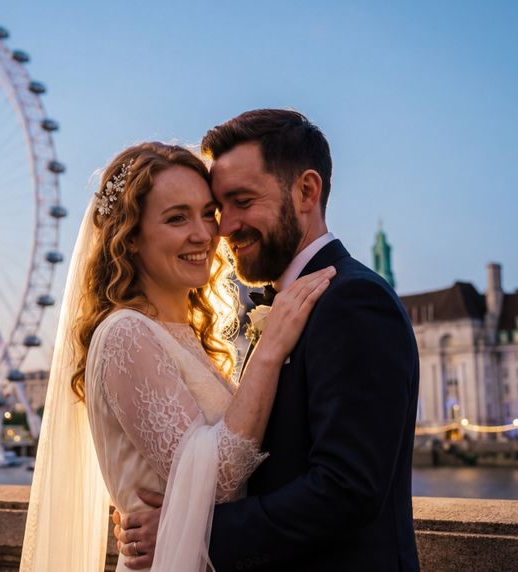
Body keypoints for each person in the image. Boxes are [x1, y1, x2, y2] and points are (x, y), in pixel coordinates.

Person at [115, 110, 421, 570]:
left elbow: (347, 489)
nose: (223, 227)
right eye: (220, 209)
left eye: (242, 201)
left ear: (306, 192)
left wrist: (187, 531)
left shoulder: (354, 301)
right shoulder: (288, 308)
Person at [20, 141, 335, 571]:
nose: (205, 234)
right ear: (129, 238)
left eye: (209, 213)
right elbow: (221, 481)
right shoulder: (125, 334)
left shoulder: (185, 336)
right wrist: (270, 348)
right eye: (176, 218)